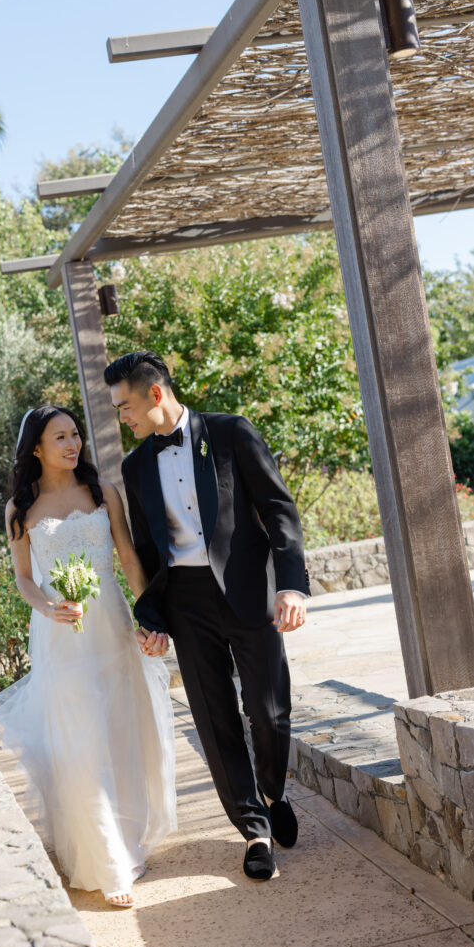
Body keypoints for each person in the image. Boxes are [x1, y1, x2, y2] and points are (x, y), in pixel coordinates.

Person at [104, 351, 310, 881]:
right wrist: (152, 620)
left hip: (248, 591)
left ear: (154, 395)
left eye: (124, 406)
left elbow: (279, 508)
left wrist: (291, 585)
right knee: (215, 722)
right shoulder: (134, 467)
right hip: (186, 601)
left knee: (268, 711)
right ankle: (254, 830)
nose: (121, 418)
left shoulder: (230, 432)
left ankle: (273, 789)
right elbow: (149, 553)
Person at [0, 405, 177, 907]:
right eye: (60, 437)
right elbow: (23, 578)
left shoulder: (103, 493)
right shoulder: (19, 509)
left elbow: (127, 557)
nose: (72, 443)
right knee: (81, 744)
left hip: (110, 626)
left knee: (121, 732)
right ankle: (109, 864)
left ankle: (126, 843)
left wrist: (150, 617)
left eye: (75, 434)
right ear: (36, 449)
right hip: (60, 637)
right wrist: (47, 606)